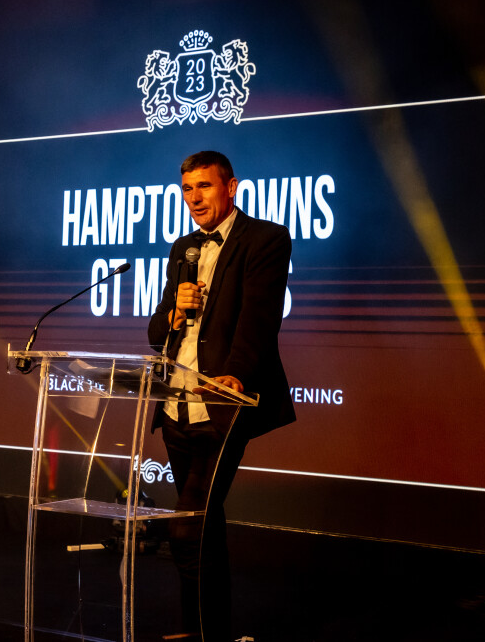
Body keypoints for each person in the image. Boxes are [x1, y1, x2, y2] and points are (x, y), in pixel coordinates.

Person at [148, 151, 295, 642]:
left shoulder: (265, 238)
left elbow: (259, 319)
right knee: (203, 526)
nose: (194, 198)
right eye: (187, 189)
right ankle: (204, 631)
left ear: (231, 187)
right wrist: (175, 311)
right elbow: (155, 331)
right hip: (176, 406)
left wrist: (235, 377)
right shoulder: (182, 249)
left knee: (187, 525)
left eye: (204, 186)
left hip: (222, 406)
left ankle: (203, 632)